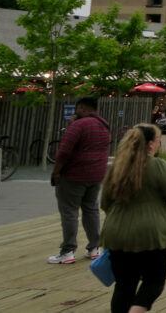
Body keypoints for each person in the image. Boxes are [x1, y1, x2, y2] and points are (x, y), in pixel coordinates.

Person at [100, 124, 166, 313]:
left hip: (116, 234)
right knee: (155, 279)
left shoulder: (117, 167)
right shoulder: (156, 165)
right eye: (158, 140)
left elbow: (105, 203)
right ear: (151, 144)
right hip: (150, 235)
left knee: (124, 286)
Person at [48, 97, 112, 265]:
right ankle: (94, 248)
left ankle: (68, 251)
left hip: (74, 176)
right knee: (91, 210)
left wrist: (56, 172)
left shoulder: (78, 125)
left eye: (77, 109)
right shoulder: (104, 125)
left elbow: (64, 151)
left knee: (69, 211)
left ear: (82, 108)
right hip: (96, 175)